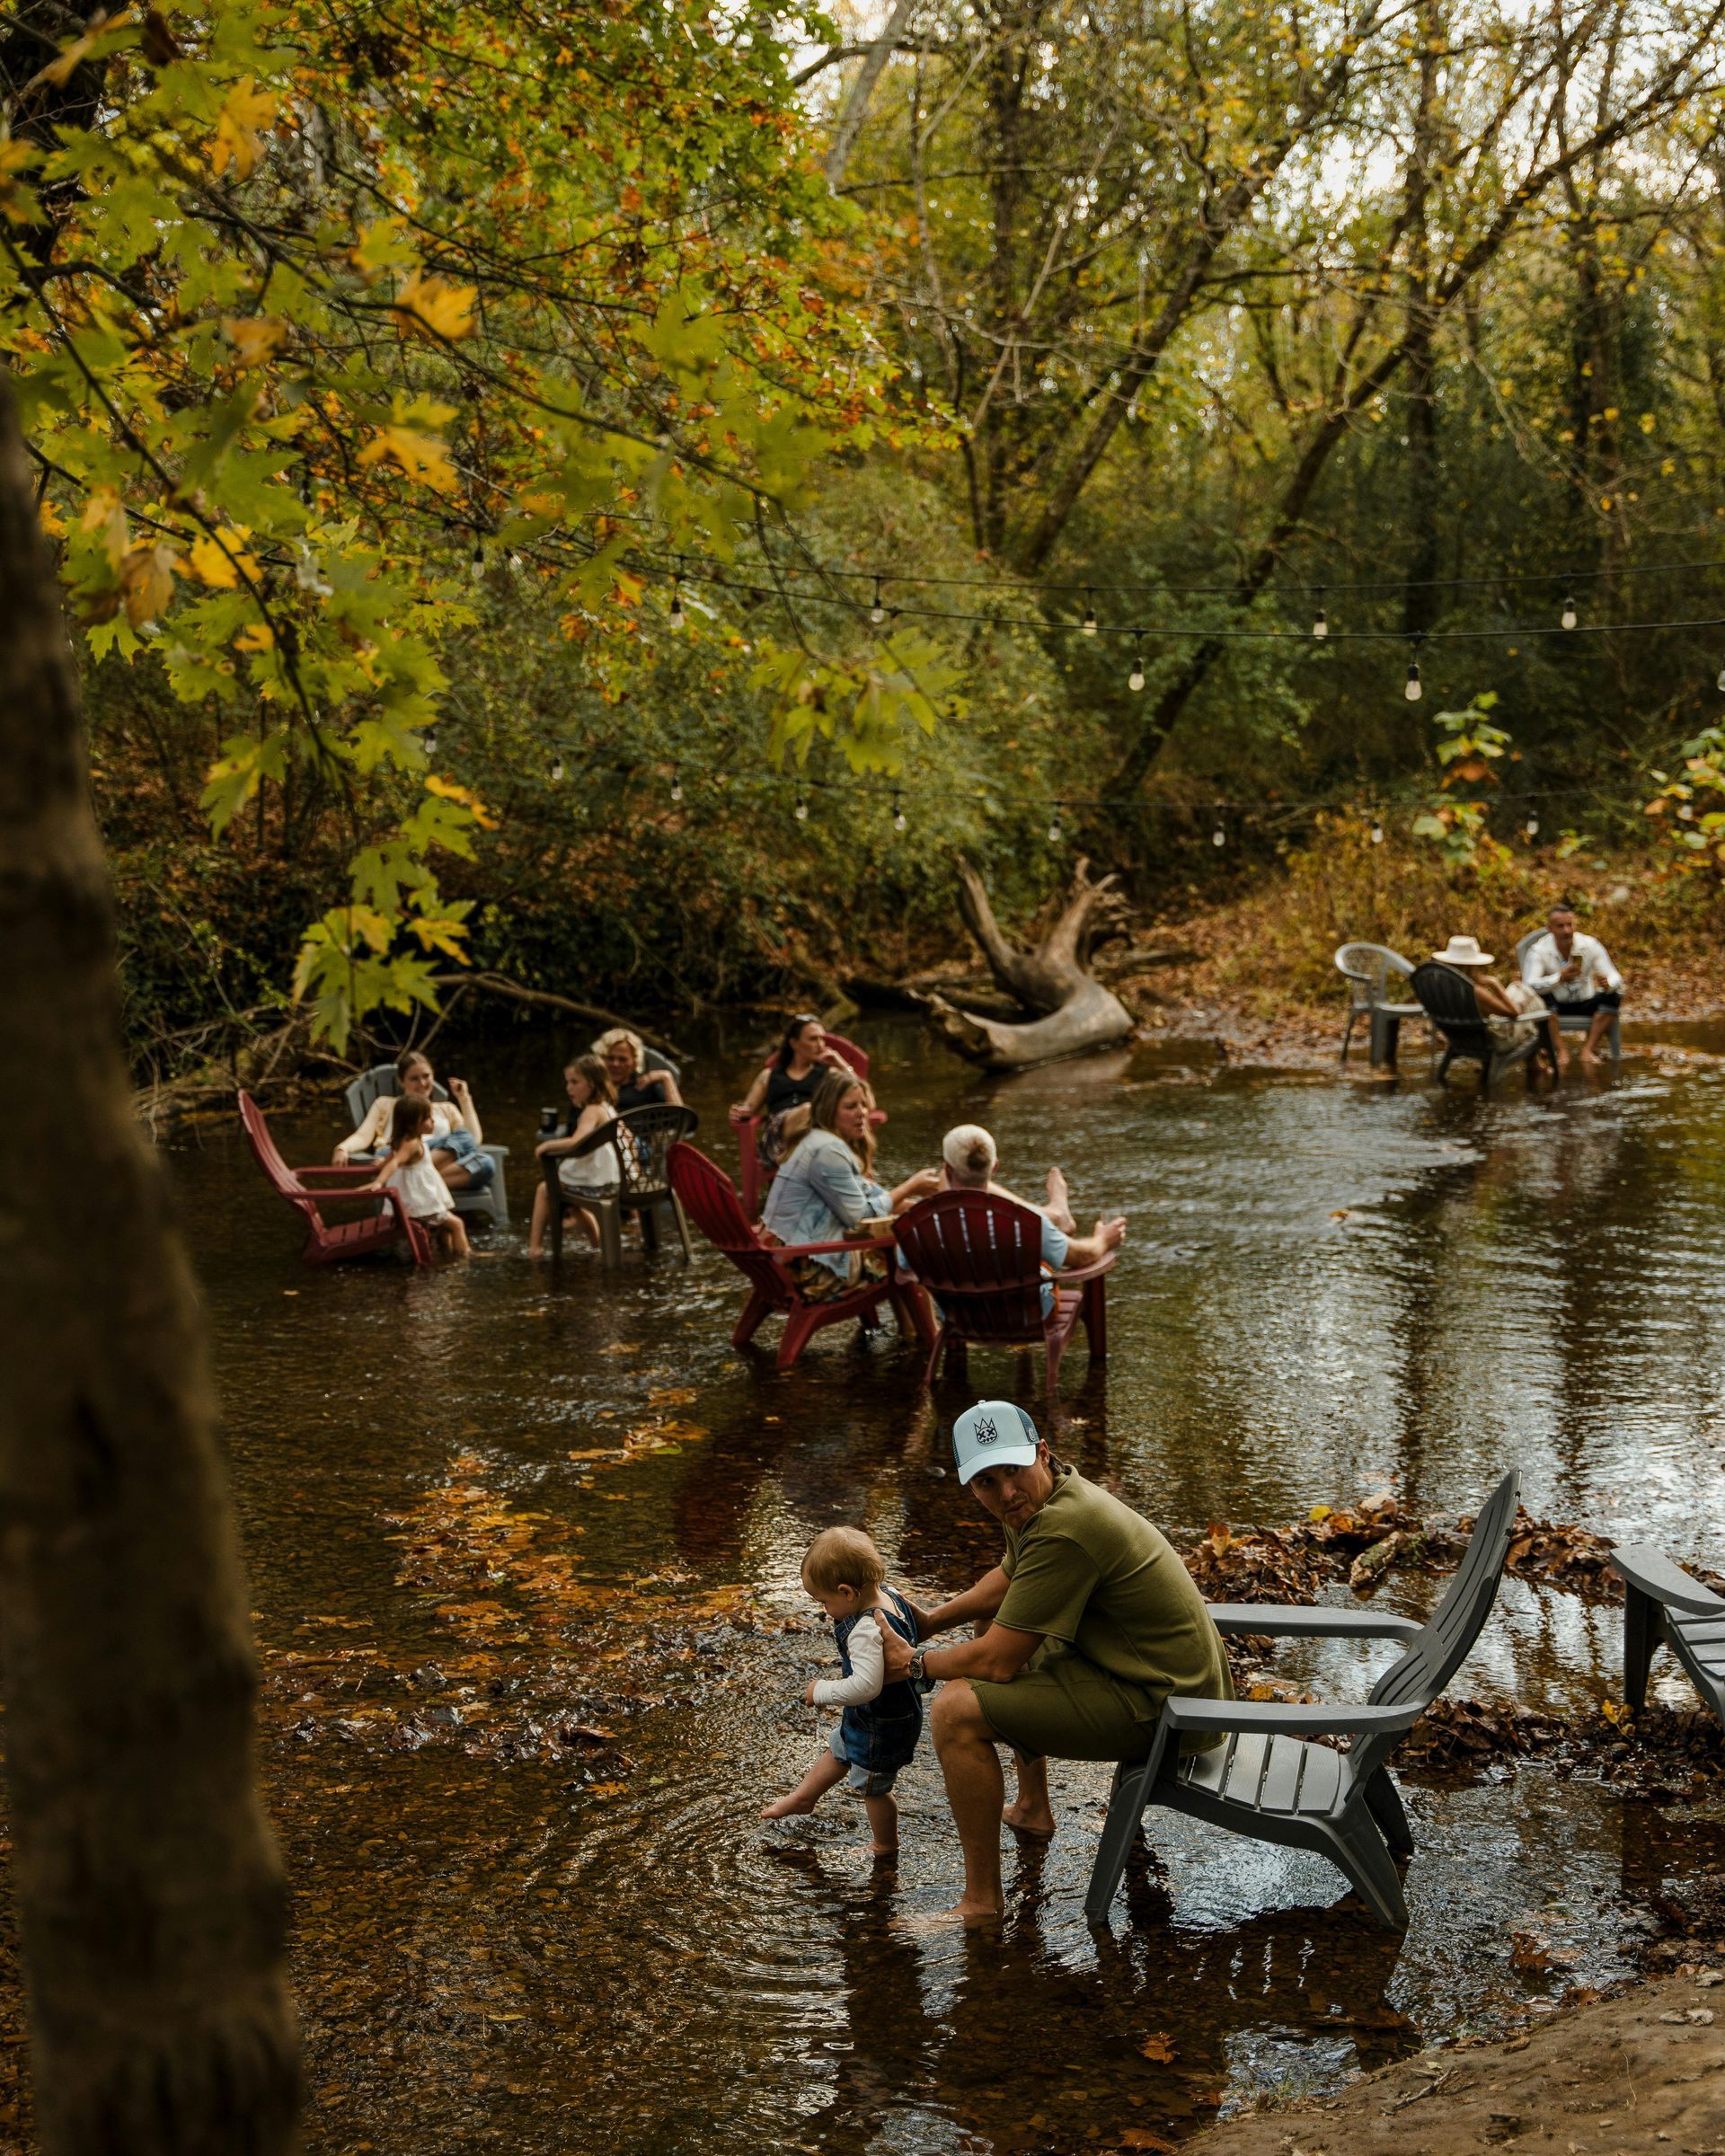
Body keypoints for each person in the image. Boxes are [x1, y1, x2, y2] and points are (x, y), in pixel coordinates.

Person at [879, 1401, 1233, 1927]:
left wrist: (914, 1665)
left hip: (1170, 1708)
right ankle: (1032, 1809)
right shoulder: (1050, 1499)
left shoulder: (1066, 1527)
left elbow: (998, 1663)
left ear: (1042, 1453)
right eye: (985, 1482)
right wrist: (932, 1620)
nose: (1005, 1493)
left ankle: (980, 1903)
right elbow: (1009, 1577)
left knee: (954, 1711)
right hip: (1165, 1680)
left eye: (1014, 1471)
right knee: (989, 1621)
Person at [761, 1527, 924, 1858]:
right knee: (841, 1746)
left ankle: (885, 1845)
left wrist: (823, 1690)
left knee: (874, 1787)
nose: (824, 1609)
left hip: (884, 1721)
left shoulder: (865, 1628)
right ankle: (804, 1797)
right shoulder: (889, 1595)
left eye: (824, 1601)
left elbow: (866, 1686)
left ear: (847, 1592)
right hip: (881, 1714)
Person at [760, 1070, 940, 1300]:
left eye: (864, 1105)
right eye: (850, 1107)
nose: (861, 1113)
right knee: (910, 1252)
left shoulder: (819, 1140)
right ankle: (927, 1331)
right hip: (811, 1272)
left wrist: (924, 1208)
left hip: (792, 1258)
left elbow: (871, 1196)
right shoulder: (828, 1151)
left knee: (901, 1240)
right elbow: (859, 1217)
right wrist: (911, 1186)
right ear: (829, 1110)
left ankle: (912, 1329)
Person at [939, 1124, 1126, 1299]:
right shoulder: (1023, 1221)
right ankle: (1057, 1215)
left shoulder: (925, 1223)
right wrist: (1103, 1240)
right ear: (995, 1167)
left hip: (958, 1318)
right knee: (1042, 1267)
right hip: (1025, 1318)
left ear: (947, 1169)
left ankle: (1056, 1213)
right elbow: (1081, 1256)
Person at [333, 1048, 495, 1194]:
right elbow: (363, 1136)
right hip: (395, 1154)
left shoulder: (446, 1108)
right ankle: (415, 1172)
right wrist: (342, 1148)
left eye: (426, 1076)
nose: (423, 1083)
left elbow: (473, 1140)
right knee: (466, 1141)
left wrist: (463, 1098)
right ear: (401, 1081)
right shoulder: (386, 1104)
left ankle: (415, 1181)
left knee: (485, 1162)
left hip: (416, 1165)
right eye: (414, 1079)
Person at [729, 1014, 862, 1175]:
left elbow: (862, 1096)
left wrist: (841, 1063)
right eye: (813, 1039)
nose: (820, 1045)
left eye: (822, 1039)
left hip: (817, 1135)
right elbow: (747, 1110)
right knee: (807, 1110)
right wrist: (740, 1113)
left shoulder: (828, 1074)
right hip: (779, 1138)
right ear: (794, 1043)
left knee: (814, 1117)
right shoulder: (769, 1076)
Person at [1432, 933, 1566, 1074]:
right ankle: (1537, 1054)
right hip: (1495, 1041)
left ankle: (1535, 1060)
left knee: (1516, 987)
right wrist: (1495, 984)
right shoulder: (1475, 991)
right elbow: (1514, 1013)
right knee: (1526, 994)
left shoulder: (1441, 987)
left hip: (1460, 1038)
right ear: (1472, 965)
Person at [527, 1054, 619, 1258]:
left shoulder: (592, 1111)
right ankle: (597, 1245)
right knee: (573, 1204)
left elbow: (577, 1140)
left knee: (545, 1189)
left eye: (575, 1082)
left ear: (593, 1083)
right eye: (567, 1082)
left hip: (598, 1185)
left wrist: (547, 1145)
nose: (569, 1088)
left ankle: (534, 1248)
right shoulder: (608, 1108)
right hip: (609, 1181)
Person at [358, 1094, 471, 1260]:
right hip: (419, 1205)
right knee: (457, 1225)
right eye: (427, 1118)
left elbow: (391, 1159)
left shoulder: (405, 1141)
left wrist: (382, 1163)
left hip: (418, 1202)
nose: (433, 1121)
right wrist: (378, 1182)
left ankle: (447, 1253)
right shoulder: (411, 1144)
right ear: (412, 1123)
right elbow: (395, 1162)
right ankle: (465, 1257)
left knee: (446, 1226)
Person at [1520, 904, 1625, 1066]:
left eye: (1570, 925)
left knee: (1615, 995)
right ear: (1550, 928)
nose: (1567, 931)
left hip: (1586, 1001)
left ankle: (1588, 1050)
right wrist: (1558, 978)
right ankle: (1560, 1051)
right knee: (1540, 999)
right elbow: (1529, 985)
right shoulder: (1539, 950)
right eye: (1560, 926)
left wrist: (1608, 983)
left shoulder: (1590, 945)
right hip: (1555, 1005)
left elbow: (1615, 976)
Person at [593, 1027, 683, 1111]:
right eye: (610, 1058)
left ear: (635, 1062)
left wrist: (666, 1078)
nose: (615, 1064)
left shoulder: (647, 1088)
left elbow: (680, 1119)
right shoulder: (590, 1087)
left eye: (623, 1060)